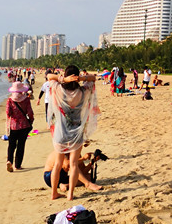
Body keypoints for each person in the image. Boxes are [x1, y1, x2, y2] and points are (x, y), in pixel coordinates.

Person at [46, 65, 101, 201]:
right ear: (76, 77)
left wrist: (63, 79)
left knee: (58, 165)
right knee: (74, 164)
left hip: (61, 132)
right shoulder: (83, 92)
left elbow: (49, 77)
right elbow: (93, 78)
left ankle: (54, 193)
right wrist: (80, 78)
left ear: (66, 75)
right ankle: (70, 194)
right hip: (76, 132)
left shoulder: (59, 89)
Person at [5, 82, 34, 172]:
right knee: (21, 146)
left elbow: (8, 112)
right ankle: (17, 165)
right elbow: (30, 112)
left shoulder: (10, 100)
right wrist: (31, 120)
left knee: (11, 145)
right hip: (24, 126)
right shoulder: (26, 100)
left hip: (13, 126)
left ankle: (9, 161)